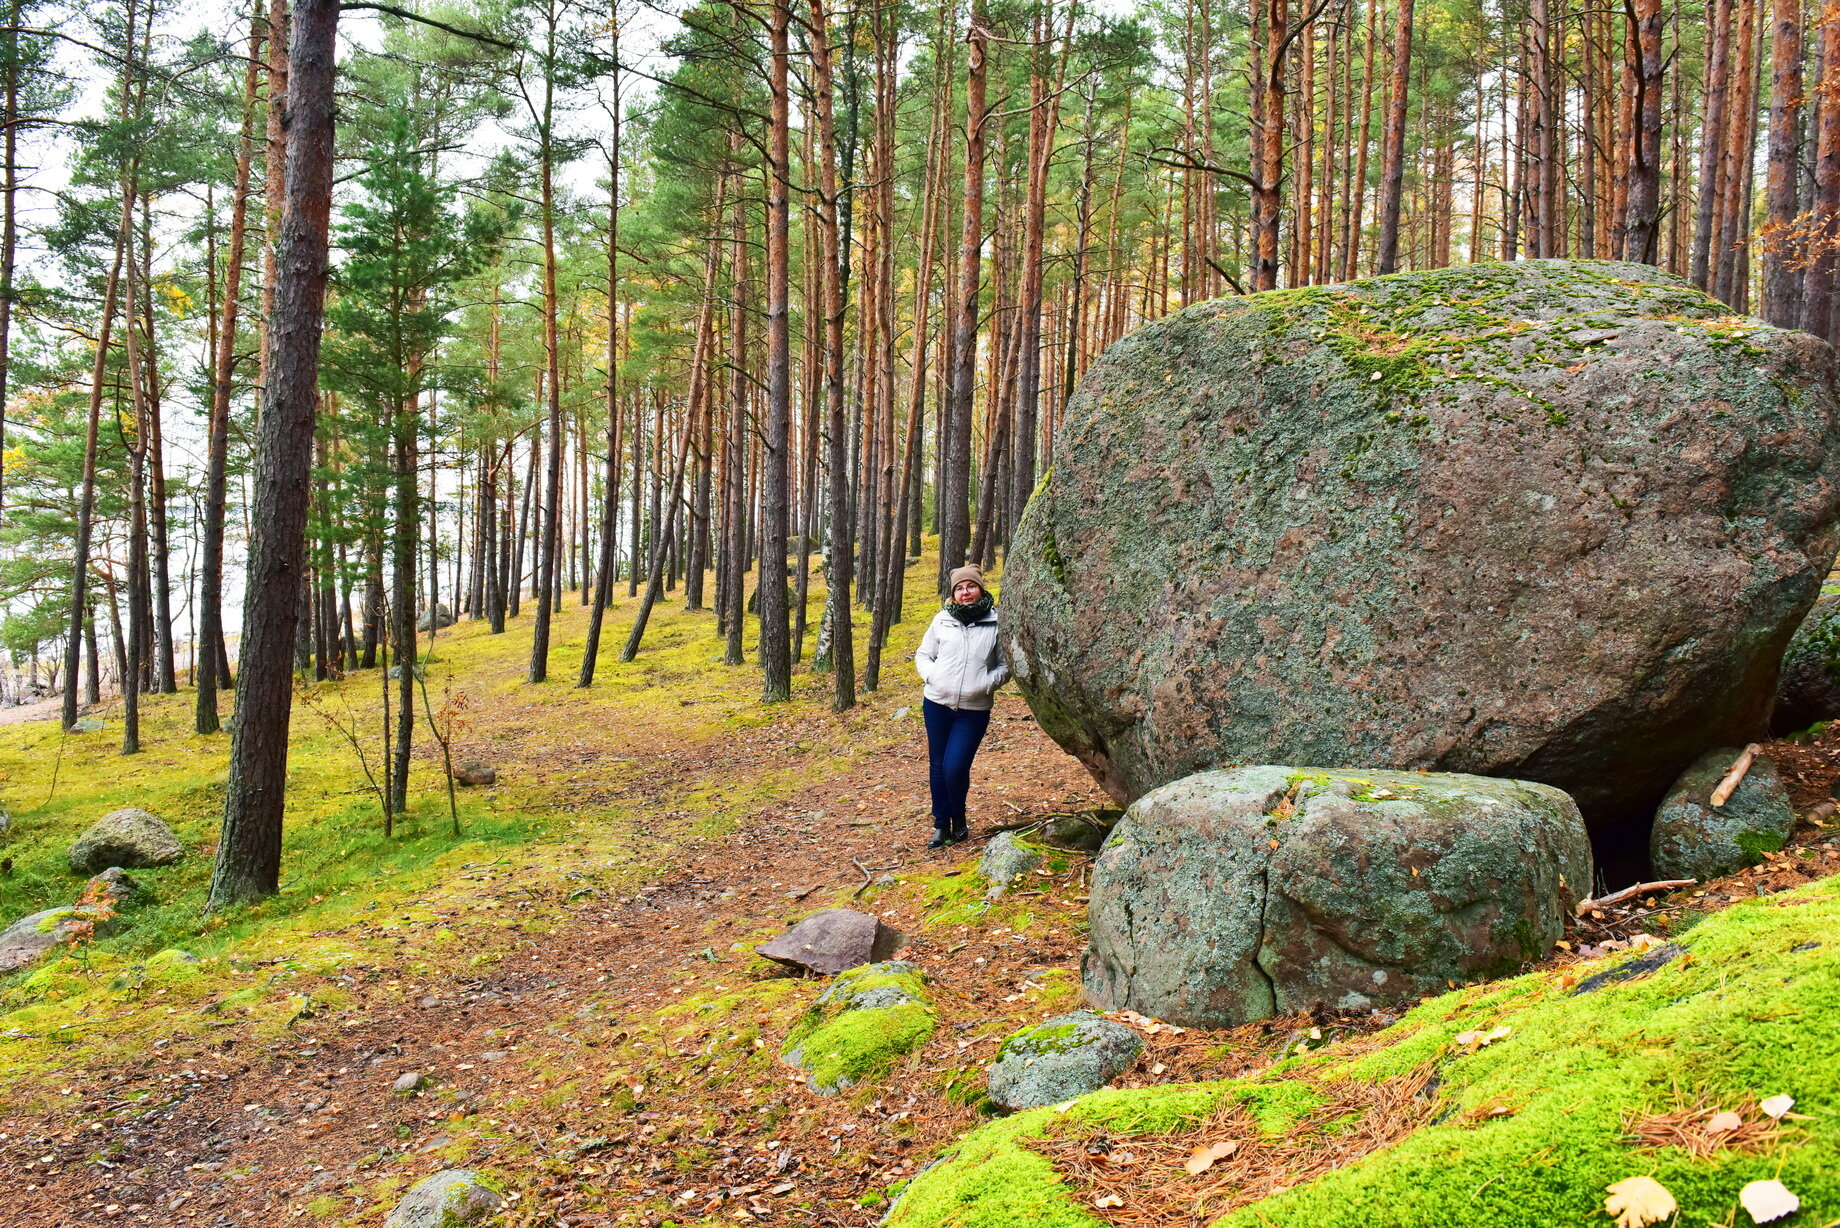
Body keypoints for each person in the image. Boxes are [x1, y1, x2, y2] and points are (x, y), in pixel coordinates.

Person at [914, 564, 1009, 848]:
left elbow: (1006, 664)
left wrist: (986, 683)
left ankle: (959, 815)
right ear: (953, 594)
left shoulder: (996, 622)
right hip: (937, 703)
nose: (965, 592)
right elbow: (923, 654)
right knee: (938, 765)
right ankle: (942, 824)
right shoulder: (942, 620)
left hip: (974, 709)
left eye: (970, 586)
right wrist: (933, 677)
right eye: (959, 588)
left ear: (980, 589)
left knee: (955, 766)